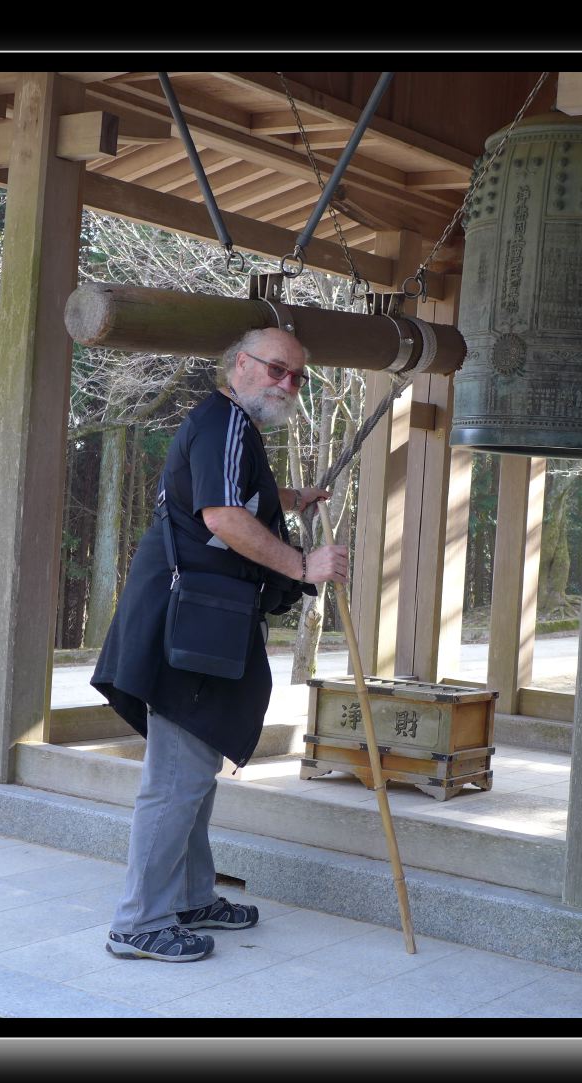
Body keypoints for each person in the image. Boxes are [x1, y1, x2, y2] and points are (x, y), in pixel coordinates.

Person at [90, 327, 348, 962]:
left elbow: (232, 495)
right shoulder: (225, 420)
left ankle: (191, 895)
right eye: (276, 369)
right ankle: (139, 923)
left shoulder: (232, 428)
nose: (286, 384)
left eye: (296, 376)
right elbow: (223, 516)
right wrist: (300, 566)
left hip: (199, 621)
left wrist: (289, 498)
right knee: (176, 778)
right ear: (240, 366)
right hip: (190, 625)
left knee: (194, 771)